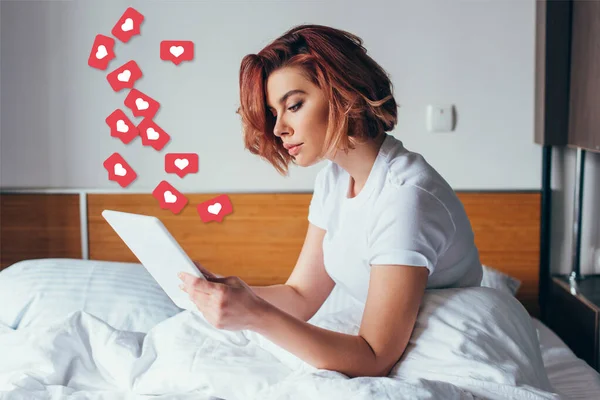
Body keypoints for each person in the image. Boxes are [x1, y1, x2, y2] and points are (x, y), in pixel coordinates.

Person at [178, 23, 483, 378]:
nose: (278, 129)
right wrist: (230, 295)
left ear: (344, 92)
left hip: (449, 351)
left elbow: (374, 357)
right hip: (402, 345)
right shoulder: (334, 180)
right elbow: (301, 296)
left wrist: (256, 315)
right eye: (275, 114)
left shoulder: (405, 197)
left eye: (294, 105)